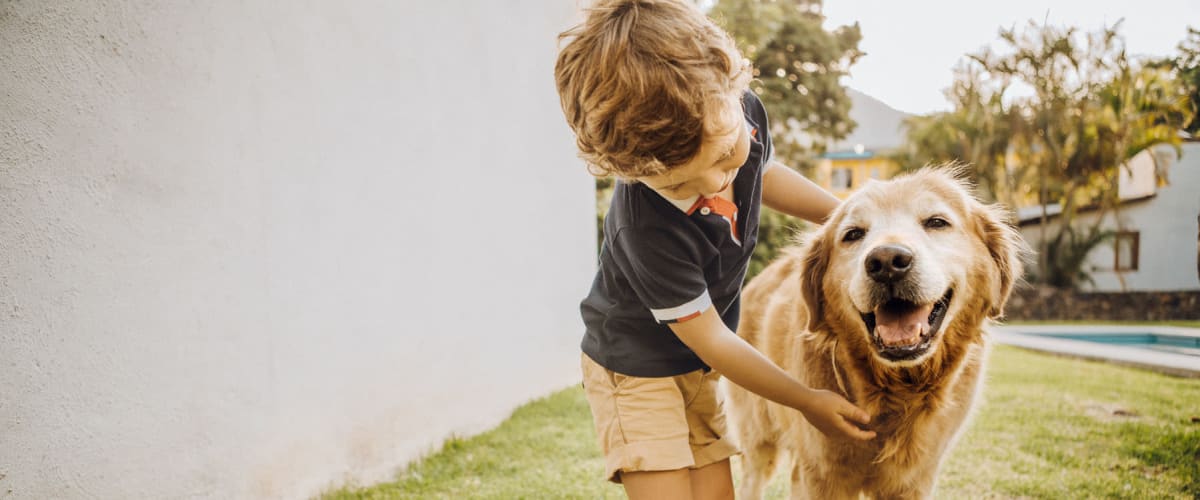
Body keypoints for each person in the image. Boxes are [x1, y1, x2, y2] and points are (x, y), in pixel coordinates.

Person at [554, 1, 876, 498]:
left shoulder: (740, 111)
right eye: (682, 181)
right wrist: (806, 400)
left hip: (695, 365)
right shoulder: (645, 229)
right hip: (635, 366)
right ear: (632, 170)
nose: (716, 181)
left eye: (726, 155)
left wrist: (850, 223)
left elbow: (764, 174)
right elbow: (716, 341)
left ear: (732, 90)